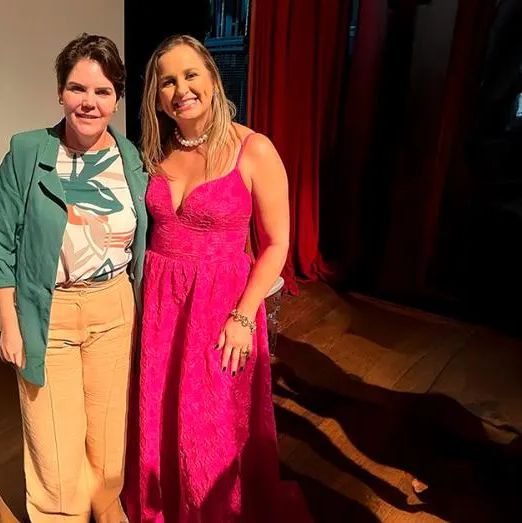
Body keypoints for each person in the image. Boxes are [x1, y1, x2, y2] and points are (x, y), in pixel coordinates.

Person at [122, 34, 313, 522]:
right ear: (156, 97)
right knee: (161, 416)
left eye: (190, 75)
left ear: (212, 77)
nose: (181, 89)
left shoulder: (254, 149)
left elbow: (276, 245)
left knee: (210, 428)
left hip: (221, 308)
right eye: (167, 81)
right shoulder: (154, 152)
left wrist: (244, 317)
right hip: (161, 305)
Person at [0, 33, 149, 523]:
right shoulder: (28, 152)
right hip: (47, 311)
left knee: (108, 436)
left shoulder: (131, 158)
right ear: (60, 92)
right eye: (77, 88)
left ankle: (106, 507)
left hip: (114, 305)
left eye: (102, 91)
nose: (89, 102)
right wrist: (9, 324)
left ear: (116, 98)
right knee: (53, 442)